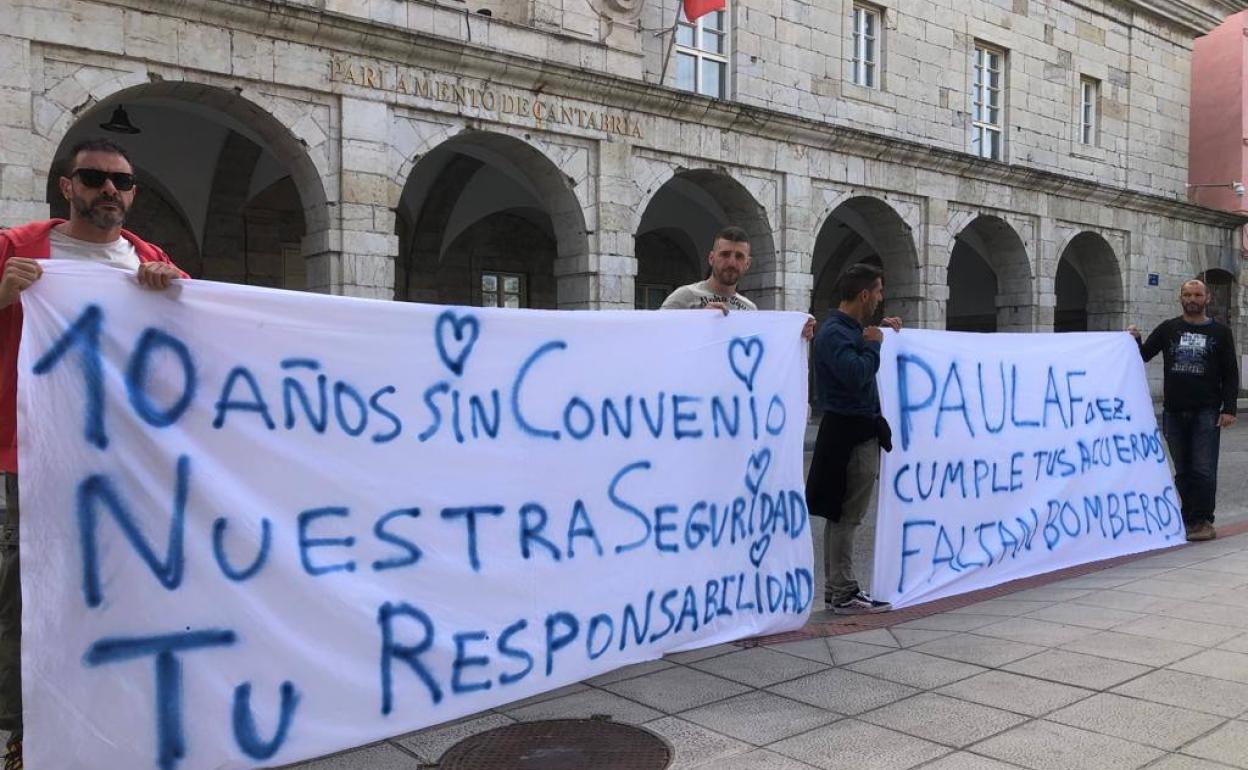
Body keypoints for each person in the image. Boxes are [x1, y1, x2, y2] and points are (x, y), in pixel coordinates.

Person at [0, 138, 184, 769]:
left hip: (125, 459)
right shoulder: (17, 248)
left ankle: (108, 710)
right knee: (28, 593)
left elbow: (196, 339)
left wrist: (174, 293)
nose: (110, 190)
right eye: (95, 178)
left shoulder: (151, 259)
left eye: (122, 182)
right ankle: (27, 730)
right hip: (29, 452)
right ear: (66, 186)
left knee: (115, 586)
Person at [806, 263, 901, 614]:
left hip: (852, 430)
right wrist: (874, 345)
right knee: (848, 515)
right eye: (877, 292)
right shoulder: (834, 333)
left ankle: (837, 588)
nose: (879, 299)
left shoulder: (850, 330)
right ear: (864, 294)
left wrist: (880, 333)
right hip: (850, 434)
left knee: (839, 512)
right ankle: (844, 590)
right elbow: (856, 373)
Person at [1129, 279, 1239, 542]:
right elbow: (1143, 355)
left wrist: (1229, 408)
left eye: (1197, 294)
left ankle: (1203, 521)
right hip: (1174, 411)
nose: (1192, 299)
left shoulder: (1220, 332)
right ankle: (1189, 517)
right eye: (1187, 294)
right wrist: (1134, 339)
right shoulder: (1168, 329)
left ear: (1207, 298)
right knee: (1182, 469)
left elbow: (1230, 373)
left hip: (1207, 411)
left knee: (1203, 468)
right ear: (1180, 298)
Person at [660, 225, 816, 340]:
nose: (732, 263)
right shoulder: (684, 297)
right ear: (711, 258)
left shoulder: (750, 309)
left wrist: (796, 334)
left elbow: (764, 347)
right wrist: (698, 322)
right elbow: (657, 336)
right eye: (725, 254)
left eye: (739, 256)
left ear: (748, 264)